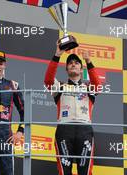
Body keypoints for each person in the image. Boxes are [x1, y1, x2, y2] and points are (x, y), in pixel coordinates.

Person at [44, 42, 101, 175]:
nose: (73, 64)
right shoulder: (60, 86)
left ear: (82, 69)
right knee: (64, 171)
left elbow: (98, 86)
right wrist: (57, 55)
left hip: (84, 130)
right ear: (67, 70)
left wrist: (88, 61)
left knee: (85, 171)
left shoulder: (88, 88)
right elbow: (48, 81)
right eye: (70, 63)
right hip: (64, 130)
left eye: (76, 63)